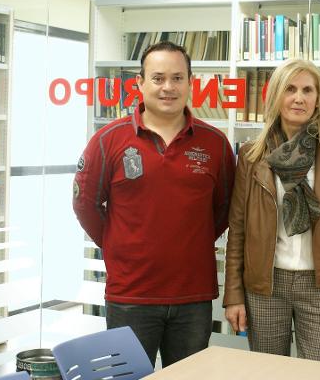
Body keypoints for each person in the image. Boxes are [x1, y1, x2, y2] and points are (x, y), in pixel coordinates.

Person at [73, 41, 235, 367]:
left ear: (191, 83)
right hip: (131, 295)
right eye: (158, 78)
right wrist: (119, 243)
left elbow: (224, 210)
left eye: (177, 78)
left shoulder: (215, 144)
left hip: (193, 296)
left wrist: (193, 239)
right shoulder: (109, 140)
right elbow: (86, 205)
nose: (168, 87)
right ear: (140, 83)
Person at [223, 58, 320, 362]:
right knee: (269, 371)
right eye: (290, 89)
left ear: (317, 99)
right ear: (276, 95)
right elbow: (238, 231)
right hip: (265, 284)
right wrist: (233, 295)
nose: (299, 97)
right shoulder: (252, 156)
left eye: (307, 90)